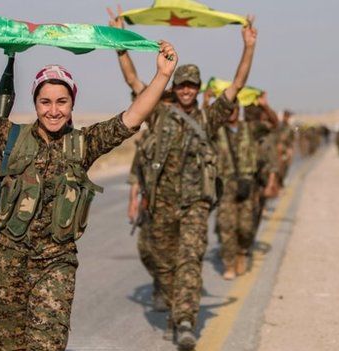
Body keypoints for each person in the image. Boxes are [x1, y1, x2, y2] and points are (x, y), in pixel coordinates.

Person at [0, 33, 177, 350]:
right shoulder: (9, 138)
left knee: (47, 345)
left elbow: (130, 119)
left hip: (55, 266)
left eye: (62, 102)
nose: (54, 110)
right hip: (6, 269)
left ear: (73, 103)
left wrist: (163, 75)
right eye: (45, 102)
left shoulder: (83, 144)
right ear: (35, 104)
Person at [108, 7, 257, 349]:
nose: (188, 90)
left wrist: (248, 47)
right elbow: (133, 81)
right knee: (162, 260)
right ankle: (171, 297)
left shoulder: (208, 118)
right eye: (183, 84)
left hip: (195, 205)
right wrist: (120, 43)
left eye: (193, 84)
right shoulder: (158, 112)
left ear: (198, 87)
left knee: (190, 259)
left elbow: (237, 85)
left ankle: (185, 320)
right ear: (175, 87)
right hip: (161, 204)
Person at [213, 103, 259, 280]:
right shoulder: (217, 131)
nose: (231, 113)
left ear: (239, 112)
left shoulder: (249, 129)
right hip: (225, 184)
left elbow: (273, 125)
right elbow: (200, 124)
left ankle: (242, 251)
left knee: (246, 226)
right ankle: (229, 263)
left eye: (234, 109)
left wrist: (264, 105)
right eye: (228, 109)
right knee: (226, 225)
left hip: (246, 182)